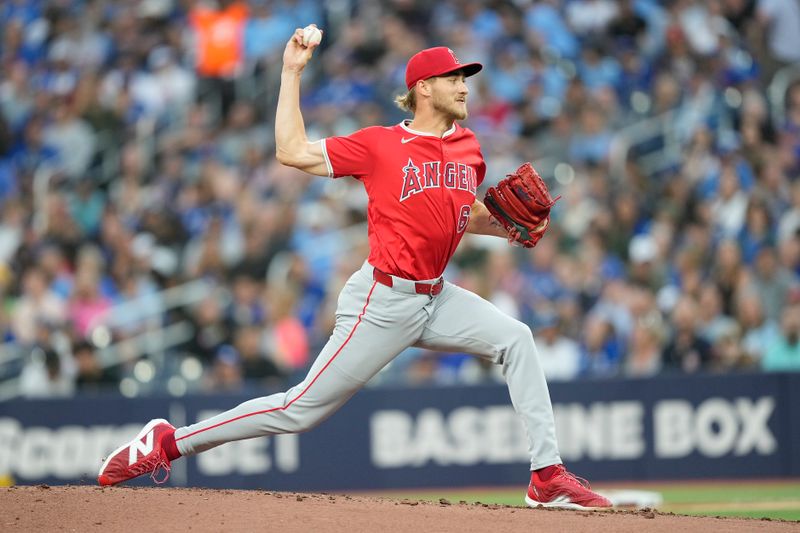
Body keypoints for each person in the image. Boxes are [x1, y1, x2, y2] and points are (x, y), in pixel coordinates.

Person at [97, 25, 612, 510]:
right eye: (454, 77)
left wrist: (504, 226)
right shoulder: (380, 144)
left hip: (436, 296)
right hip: (382, 300)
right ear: (423, 88)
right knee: (297, 410)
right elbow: (290, 151)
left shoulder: (469, 148)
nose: (464, 86)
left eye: (465, 77)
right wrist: (291, 72)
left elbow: (460, 213)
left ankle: (546, 478)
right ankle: (167, 442)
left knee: (516, 338)